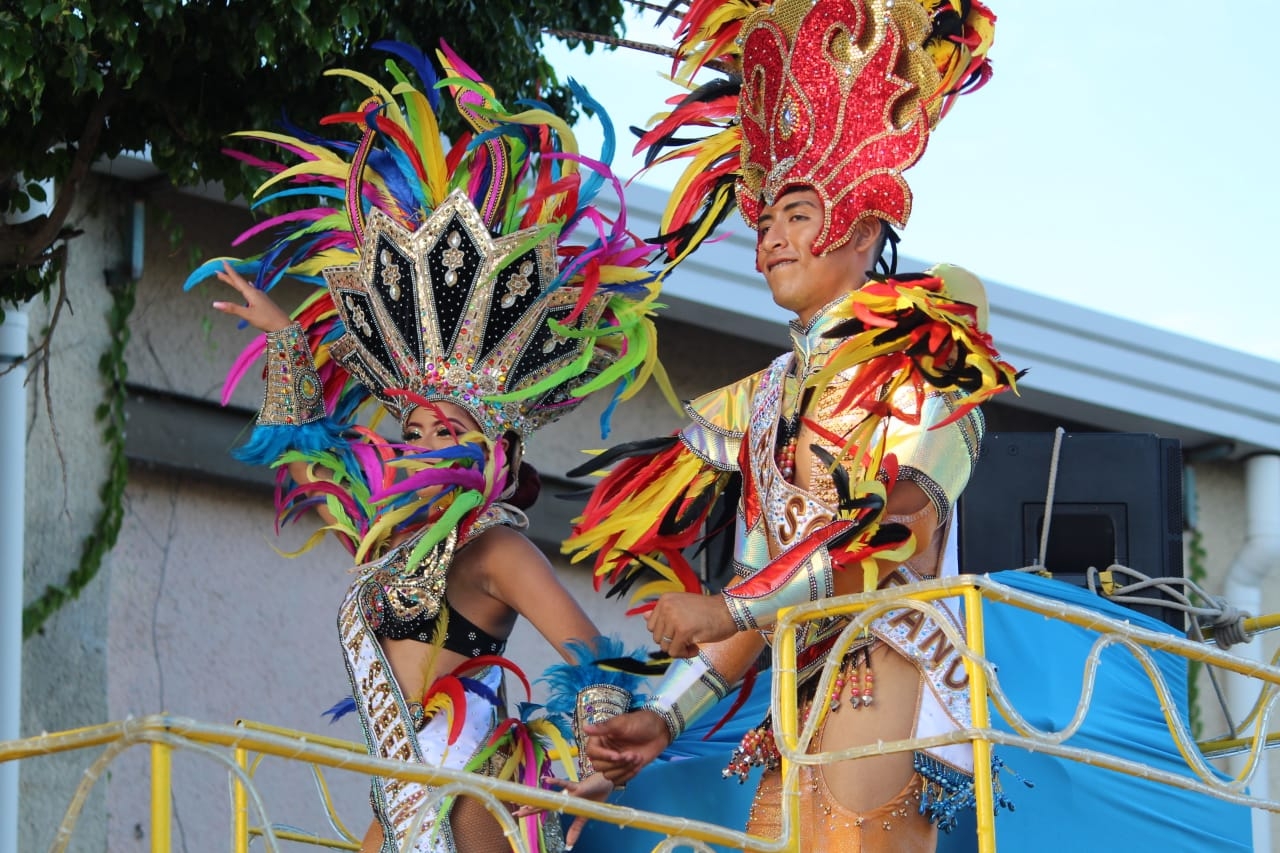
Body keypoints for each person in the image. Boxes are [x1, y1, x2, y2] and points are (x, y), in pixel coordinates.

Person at [563, 1, 1021, 850]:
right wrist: (663, 716)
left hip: (887, 667)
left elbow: (890, 524)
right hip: (800, 692)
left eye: (798, 213)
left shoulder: (925, 351)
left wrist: (726, 606)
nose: (770, 237)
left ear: (865, 221)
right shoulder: (765, 400)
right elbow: (752, 602)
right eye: (764, 218)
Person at [187, 41, 659, 853]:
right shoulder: (388, 543)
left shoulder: (495, 547)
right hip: (399, 798)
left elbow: (593, 657)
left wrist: (594, 758)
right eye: (414, 428)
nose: (427, 441)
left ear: (494, 448)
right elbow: (309, 463)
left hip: (472, 794)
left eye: (451, 430)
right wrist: (288, 345)